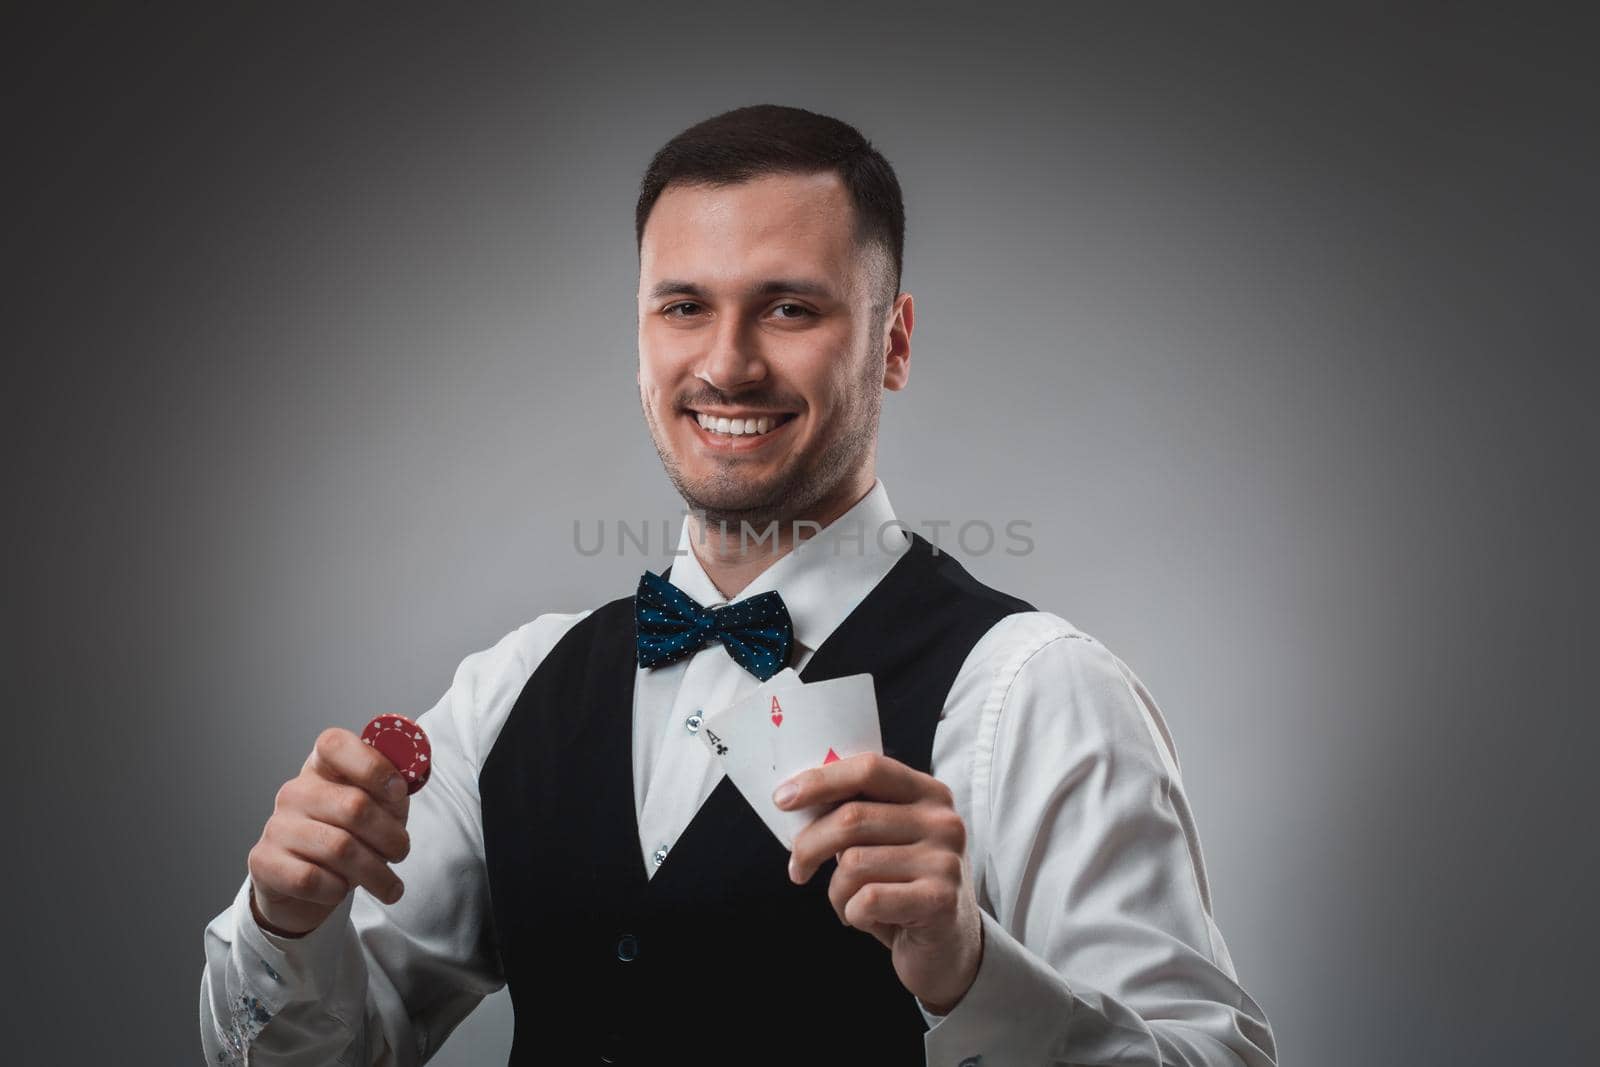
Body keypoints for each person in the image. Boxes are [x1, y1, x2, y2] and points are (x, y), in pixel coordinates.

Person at [200, 104, 1278, 1067]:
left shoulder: (1034, 691)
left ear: (892, 343)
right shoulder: (514, 686)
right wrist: (288, 926)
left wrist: (970, 972)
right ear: (638, 340)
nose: (726, 364)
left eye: (789, 309)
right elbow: (319, 1056)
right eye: (682, 307)